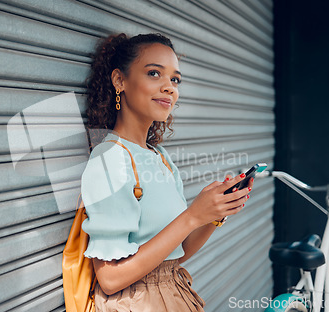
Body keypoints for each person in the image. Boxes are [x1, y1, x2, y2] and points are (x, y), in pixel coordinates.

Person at [80, 33, 253, 312]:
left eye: (175, 80)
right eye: (154, 73)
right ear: (119, 81)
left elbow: (177, 253)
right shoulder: (110, 158)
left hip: (173, 294)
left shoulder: (160, 158)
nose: (169, 88)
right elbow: (110, 279)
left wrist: (213, 215)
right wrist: (192, 215)